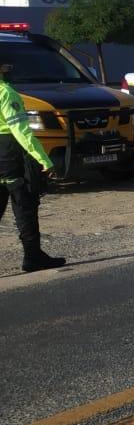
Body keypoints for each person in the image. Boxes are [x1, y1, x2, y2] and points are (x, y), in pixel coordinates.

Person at [0, 62, 65, 272]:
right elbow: (21, 132)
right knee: (24, 205)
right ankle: (33, 256)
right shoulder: (6, 93)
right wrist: (43, 160)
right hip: (10, 154)